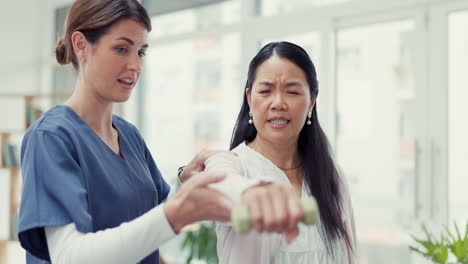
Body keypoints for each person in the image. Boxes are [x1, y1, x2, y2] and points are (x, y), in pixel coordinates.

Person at [18, 1, 236, 263]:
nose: (135, 65)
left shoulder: (129, 135)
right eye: (121, 49)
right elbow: (69, 255)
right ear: (81, 45)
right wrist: (173, 214)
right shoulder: (51, 138)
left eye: (141, 52)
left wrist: (185, 183)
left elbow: (150, 219)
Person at [205, 41, 357, 264]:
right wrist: (252, 195)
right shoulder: (230, 165)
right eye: (266, 91)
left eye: (292, 91)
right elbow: (222, 188)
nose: (278, 103)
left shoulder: (330, 174)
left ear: (312, 102)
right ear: (249, 99)